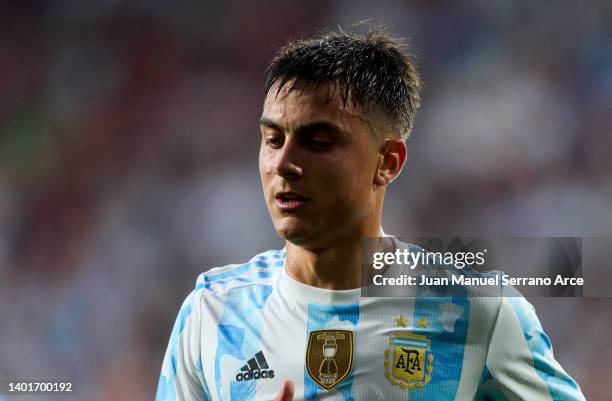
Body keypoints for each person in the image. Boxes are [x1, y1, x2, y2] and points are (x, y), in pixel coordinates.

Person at [155, 27, 586, 401]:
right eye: (272, 138)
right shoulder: (212, 311)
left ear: (389, 162)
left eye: (318, 142)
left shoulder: (478, 312)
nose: (283, 163)